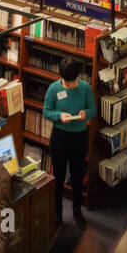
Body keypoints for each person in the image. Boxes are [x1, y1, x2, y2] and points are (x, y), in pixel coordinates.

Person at [43, 56, 96, 228]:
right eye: (68, 82)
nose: (71, 85)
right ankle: (57, 213)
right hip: (60, 137)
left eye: (74, 82)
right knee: (58, 177)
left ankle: (77, 211)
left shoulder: (86, 88)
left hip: (79, 137)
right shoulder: (54, 89)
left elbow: (93, 109)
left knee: (78, 176)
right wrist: (59, 116)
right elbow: (46, 111)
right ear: (62, 78)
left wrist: (85, 114)